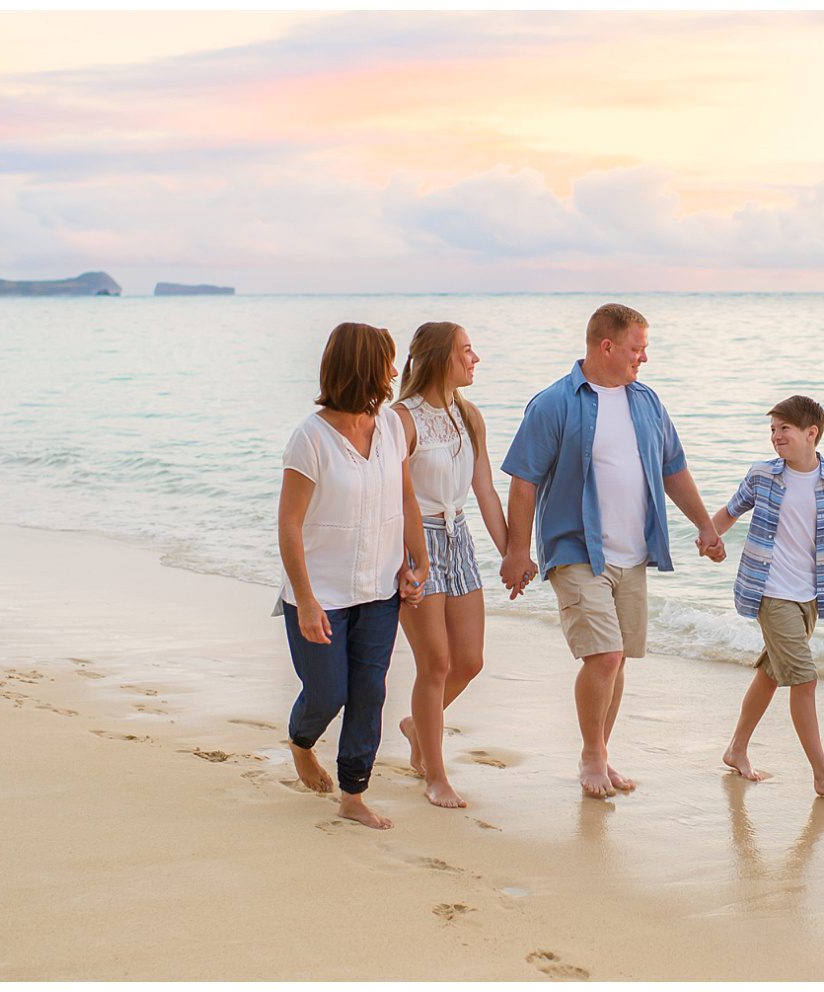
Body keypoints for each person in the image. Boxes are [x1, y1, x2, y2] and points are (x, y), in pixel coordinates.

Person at [499, 303, 726, 799]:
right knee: (605, 655)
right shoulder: (554, 403)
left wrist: (706, 526)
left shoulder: (646, 401)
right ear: (607, 346)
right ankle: (592, 755)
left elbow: (673, 469)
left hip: (633, 553)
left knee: (617, 661)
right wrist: (517, 552)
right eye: (636, 348)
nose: (643, 358)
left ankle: (601, 749)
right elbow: (523, 481)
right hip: (576, 549)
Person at [275, 322, 429, 829]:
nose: (393, 370)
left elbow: (404, 495)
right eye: (386, 360)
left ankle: (353, 795)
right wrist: (306, 599)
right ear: (363, 366)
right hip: (320, 595)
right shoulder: (310, 439)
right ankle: (301, 740)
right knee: (327, 694)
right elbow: (290, 524)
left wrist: (416, 557)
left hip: (380, 590)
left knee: (370, 692)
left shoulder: (387, 427)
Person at [711, 395, 824, 799]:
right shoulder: (762, 476)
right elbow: (730, 512)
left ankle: (736, 749)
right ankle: (823, 774)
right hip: (769, 592)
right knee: (804, 679)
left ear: (811, 433)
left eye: (784, 429)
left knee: (772, 674)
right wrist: (707, 535)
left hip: (810, 598)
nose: (775, 437)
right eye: (772, 430)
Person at [392, 321, 509, 809]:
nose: (475, 358)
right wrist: (406, 560)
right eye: (466, 350)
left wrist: (512, 554)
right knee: (435, 663)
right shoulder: (402, 419)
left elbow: (484, 490)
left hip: (457, 539)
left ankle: (418, 726)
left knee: (470, 661)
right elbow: (393, 497)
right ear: (441, 357)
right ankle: (434, 774)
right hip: (415, 543)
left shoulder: (469, 415)